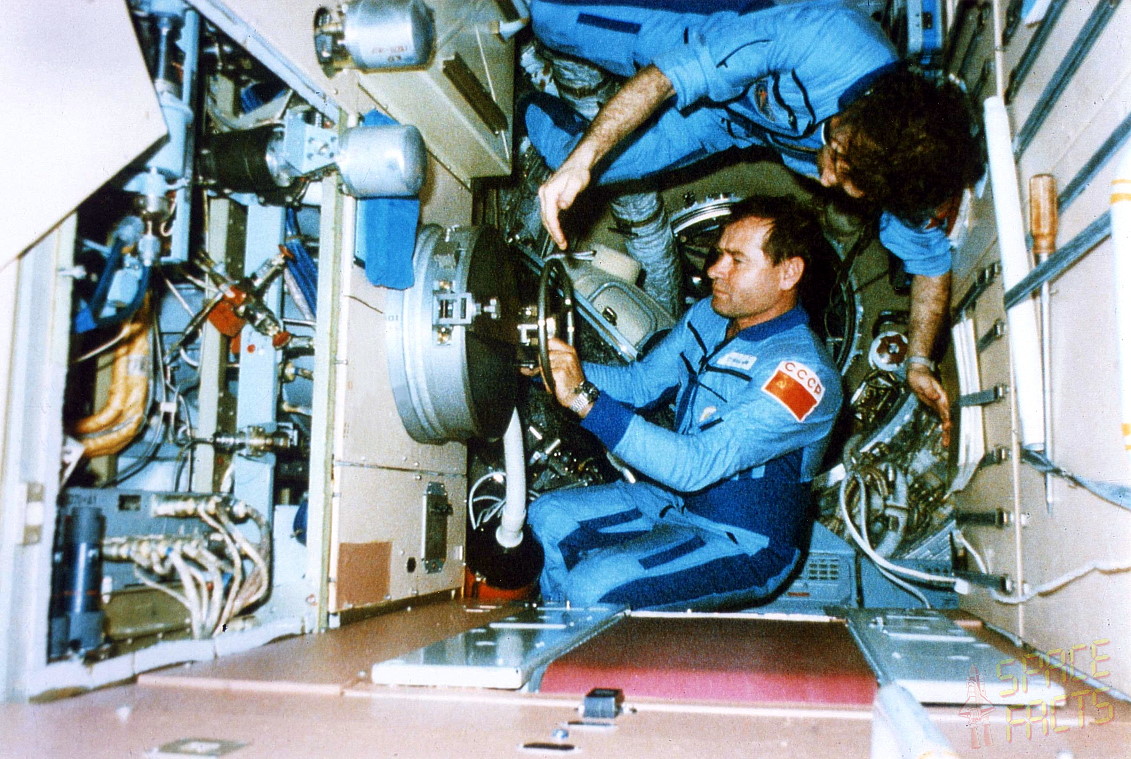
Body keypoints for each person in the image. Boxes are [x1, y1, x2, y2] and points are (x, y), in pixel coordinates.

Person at [523, 0, 984, 444]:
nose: (825, 179)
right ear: (864, 114)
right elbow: (668, 77)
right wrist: (585, 159)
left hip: (725, 126)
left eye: (847, 185)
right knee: (547, 17)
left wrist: (919, 362)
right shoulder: (828, 42)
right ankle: (548, 53)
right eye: (837, 158)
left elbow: (930, 261)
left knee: (569, 158)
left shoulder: (897, 168)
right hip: (711, 30)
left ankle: (525, 96)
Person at [527, 196, 843, 609]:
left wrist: (584, 400)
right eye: (718, 254)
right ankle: (556, 630)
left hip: (744, 541)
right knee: (546, 518)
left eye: (736, 260)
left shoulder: (802, 375)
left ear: (789, 273)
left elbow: (695, 466)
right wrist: (551, 368)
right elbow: (640, 385)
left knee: (592, 587)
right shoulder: (709, 316)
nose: (714, 270)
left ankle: (583, 632)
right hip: (673, 501)